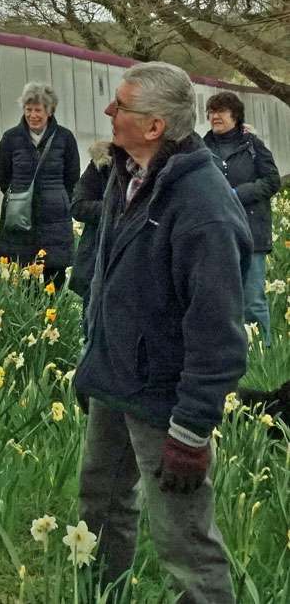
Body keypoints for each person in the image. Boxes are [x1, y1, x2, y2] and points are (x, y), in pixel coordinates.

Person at [75, 62, 250, 603]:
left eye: (121, 105)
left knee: (184, 541)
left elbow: (218, 332)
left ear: (155, 127)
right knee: (100, 507)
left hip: (164, 397)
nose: (109, 111)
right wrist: (92, 362)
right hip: (114, 378)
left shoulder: (203, 206)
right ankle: (102, 596)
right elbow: (109, 279)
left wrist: (191, 432)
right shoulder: (127, 175)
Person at [203, 91, 281, 344]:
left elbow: (272, 181)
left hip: (251, 233)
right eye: (211, 111)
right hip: (216, 235)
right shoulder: (202, 148)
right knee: (220, 300)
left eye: (221, 111)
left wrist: (238, 194)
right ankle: (226, 354)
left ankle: (261, 353)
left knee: (252, 302)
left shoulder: (253, 146)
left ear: (235, 115)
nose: (214, 116)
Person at [0, 82, 80, 288]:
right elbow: (4, 179)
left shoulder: (65, 138)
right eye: (28, 109)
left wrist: (58, 199)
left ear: (49, 111)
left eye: (38, 110)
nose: (33, 115)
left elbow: (72, 178)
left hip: (55, 220)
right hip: (21, 219)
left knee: (54, 279)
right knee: (25, 279)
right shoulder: (11, 138)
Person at [68, 140, 112, 303]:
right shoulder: (104, 161)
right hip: (97, 266)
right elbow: (78, 205)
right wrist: (117, 209)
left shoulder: (161, 164)